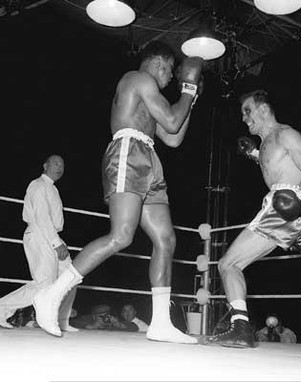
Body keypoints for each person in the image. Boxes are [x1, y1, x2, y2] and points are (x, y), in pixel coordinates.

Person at [32, 41, 203, 344]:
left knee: (166, 239)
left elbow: (173, 136)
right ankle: (50, 296)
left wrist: (192, 96)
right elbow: (173, 118)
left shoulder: (149, 97)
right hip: (129, 151)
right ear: (159, 62)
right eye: (170, 73)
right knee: (121, 235)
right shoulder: (137, 79)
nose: (170, 79)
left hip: (149, 157)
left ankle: (161, 323)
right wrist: (187, 92)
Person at [202, 89, 301, 348]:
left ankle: (241, 328)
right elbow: (277, 166)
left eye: (248, 111)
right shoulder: (267, 142)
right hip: (300, 215)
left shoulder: (286, 135)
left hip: (287, 207)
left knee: (227, 264)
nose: (244, 119)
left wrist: (299, 199)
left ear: (264, 109)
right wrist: (253, 155)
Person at [0, 155, 78, 332]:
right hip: (40, 234)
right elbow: (42, 217)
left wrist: (56, 241)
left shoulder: (52, 189)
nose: (60, 168)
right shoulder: (38, 185)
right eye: (56, 163)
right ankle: (2, 308)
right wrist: (56, 243)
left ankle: (62, 318)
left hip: (50, 235)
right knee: (44, 284)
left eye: (62, 165)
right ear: (45, 165)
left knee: (71, 276)